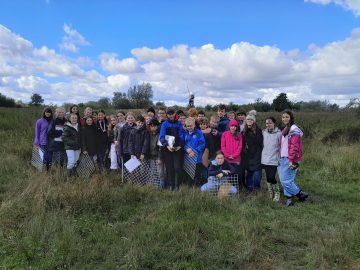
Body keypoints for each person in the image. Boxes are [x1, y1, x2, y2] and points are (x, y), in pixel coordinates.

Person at [278, 110, 309, 207]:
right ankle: (290, 199)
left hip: (290, 158)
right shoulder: (285, 129)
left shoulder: (294, 130)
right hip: (282, 157)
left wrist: (291, 160)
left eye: (287, 117)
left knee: (285, 181)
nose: (285, 119)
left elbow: (294, 147)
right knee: (286, 180)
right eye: (283, 117)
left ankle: (300, 194)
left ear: (291, 117)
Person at [159, 107, 184, 190]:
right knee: (169, 168)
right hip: (167, 149)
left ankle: (177, 185)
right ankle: (171, 185)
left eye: (172, 114)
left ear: (175, 114)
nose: (171, 116)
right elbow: (162, 137)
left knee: (177, 167)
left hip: (177, 149)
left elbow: (182, 135)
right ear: (167, 115)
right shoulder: (164, 124)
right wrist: (167, 146)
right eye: (169, 114)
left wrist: (180, 145)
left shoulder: (179, 123)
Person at [261, 117, 282, 201]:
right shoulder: (263, 132)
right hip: (265, 158)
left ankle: (277, 193)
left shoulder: (279, 134)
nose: (268, 125)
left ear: (274, 124)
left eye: (270, 123)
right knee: (267, 177)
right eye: (266, 123)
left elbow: (282, 146)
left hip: (274, 158)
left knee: (271, 177)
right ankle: (270, 192)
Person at [242, 112, 263, 192]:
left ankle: (256, 188)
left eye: (251, 119)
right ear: (246, 121)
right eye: (248, 119)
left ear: (254, 121)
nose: (249, 121)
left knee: (257, 173)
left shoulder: (258, 130)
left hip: (256, 154)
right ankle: (249, 188)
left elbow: (260, 142)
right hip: (248, 155)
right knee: (249, 172)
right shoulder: (244, 131)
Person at [183, 117, 205, 186]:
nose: (189, 127)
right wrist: (186, 149)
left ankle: (196, 186)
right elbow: (183, 143)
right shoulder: (185, 133)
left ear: (194, 125)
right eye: (187, 126)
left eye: (191, 126)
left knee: (197, 173)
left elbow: (202, 143)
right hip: (187, 157)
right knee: (188, 171)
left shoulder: (199, 132)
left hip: (197, 157)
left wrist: (194, 151)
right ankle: (189, 186)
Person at [221, 119, 243, 183]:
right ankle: (227, 188)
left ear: (237, 127)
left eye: (235, 126)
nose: (233, 127)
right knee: (228, 174)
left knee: (236, 174)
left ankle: (237, 188)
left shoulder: (239, 135)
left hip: (236, 159)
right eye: (232, 125)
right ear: (229, 126)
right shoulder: (224, 134)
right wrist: (227, 155)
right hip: (226, 159)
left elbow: (240, 146)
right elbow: (223, 146)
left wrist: (234, 155)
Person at [34, 107, 53, 171]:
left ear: (51, 113)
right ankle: (45, 171)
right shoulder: (39, 121)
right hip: (42, 141)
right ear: (44, 113)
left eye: (49, 112)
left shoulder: (52, 121)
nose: (48, 113)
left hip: (51, 142)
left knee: (50, 156)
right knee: (44, 156)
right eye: (46, 112)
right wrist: (36, 141)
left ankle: (49, 170)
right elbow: (37, 131)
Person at [148, 118, 165, 188]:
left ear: (157, 126)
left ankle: (162, 187)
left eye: (154, 126)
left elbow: (161, 148)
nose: (152, 127)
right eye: (151, 126)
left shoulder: (160, 135)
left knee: (160, 173)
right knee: (153, 172)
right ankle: (155, 186)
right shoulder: (149, 134)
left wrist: (160, 158)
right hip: (151, 157)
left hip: (158, 157)